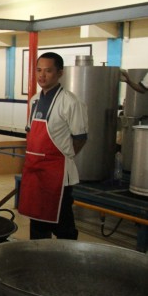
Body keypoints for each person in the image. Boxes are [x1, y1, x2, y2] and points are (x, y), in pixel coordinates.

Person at [18, 52, 88, 240]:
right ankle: (38, 257)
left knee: (63, 224)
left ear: (60, 73)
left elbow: (80, 137)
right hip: (35, 171)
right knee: (37, 220)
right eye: (39, 70)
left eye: (48, 71)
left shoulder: (71, 102)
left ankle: (67, 260)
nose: (42, 75)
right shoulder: (34, 100)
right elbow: (31, 132)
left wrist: (62, 159)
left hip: (57, 174)